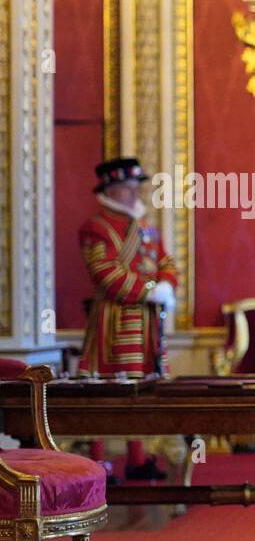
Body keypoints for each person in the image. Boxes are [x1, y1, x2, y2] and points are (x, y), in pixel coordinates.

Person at [78, 156, 177, 481]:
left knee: (138, 391)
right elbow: (106, 273)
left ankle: (137, 458)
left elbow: (167, 261)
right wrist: (149, 289)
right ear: (111, 189)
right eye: (126, 188)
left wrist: (166, 285)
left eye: (136, 187)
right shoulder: (96, 228)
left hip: (146, 324)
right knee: (104, 392)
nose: (134, 194)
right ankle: (98, 463)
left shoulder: (146, 227)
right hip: (114, 321)